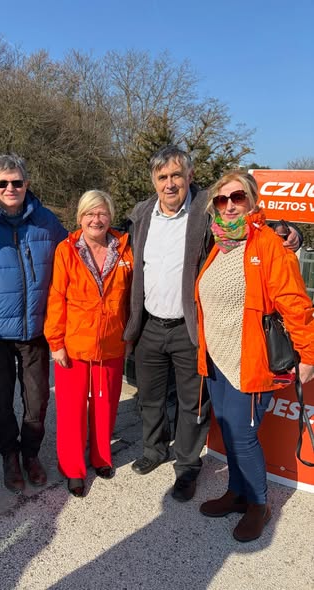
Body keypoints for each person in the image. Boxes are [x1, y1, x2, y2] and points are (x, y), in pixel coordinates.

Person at [124, 145, 302, 503]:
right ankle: (154, 449)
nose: (170, 184)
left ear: (190, 176)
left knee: (193, 403)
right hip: (149, 324)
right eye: (162, 177)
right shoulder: (142, 213)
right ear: (153, 181)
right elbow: (112, 234)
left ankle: (187, 467)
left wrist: (290, 230)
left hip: (190, 327)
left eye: (176, 175)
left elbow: (250, 224)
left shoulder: (207, 209)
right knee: (151, 396)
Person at [195, 170, 314, 542]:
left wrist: (308, 355)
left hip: (249, 359)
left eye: (238, 197)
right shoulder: (219, 243)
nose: (230, 205)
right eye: (222, 199)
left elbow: (295, 303)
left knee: (244, 436)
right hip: (217, 357)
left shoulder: (267, 244)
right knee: (228, 430)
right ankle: (236, 492)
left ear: (252, 201)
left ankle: (259, 505)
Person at [0, 154, 67, 492]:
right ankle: (9, 454)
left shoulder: (46, 222)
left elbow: (73, 259)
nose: (10, 188)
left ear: (27, 184)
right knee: (0, 401)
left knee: (37, 400)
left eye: (17, 182)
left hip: (35, 330)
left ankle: (31, 453)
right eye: (3, 183)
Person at [44, 190, 133, 497]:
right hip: (74, 346)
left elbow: (132, 298)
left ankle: (101, 457)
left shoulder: (125, 250)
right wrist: (56, 342)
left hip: (112, 343)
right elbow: (56, 297)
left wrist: (129, 336)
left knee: (105, 406)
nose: (96, 219)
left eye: (102, 213)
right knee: (72, 412)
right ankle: (73, 468)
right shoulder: (67, 250)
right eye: (89, 214)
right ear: (80, 218)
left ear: (111, 217)